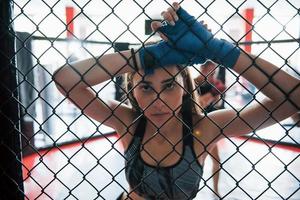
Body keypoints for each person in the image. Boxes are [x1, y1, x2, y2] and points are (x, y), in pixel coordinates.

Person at [53, 2, 300, 199]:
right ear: (133, 92)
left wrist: (219, 50)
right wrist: (143, 56)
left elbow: (295, 98)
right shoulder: (128, 122)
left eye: (169, 85)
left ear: (184, 86)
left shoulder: (204, 128)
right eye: (146, 87)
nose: (158, 100)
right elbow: (65, 80)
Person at [194, 61, 226, 197]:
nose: (212, 74)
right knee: (195, 161)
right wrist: (213, 93)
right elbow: (198, 104)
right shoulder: (193, 82)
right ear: (202, 68)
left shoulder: (214, 84)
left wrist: (217, 94)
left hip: (209, 127)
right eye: (210, 71)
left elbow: (217, 105)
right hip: (195, 127)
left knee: (216, 160)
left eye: (214, 72)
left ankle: (215, 189)